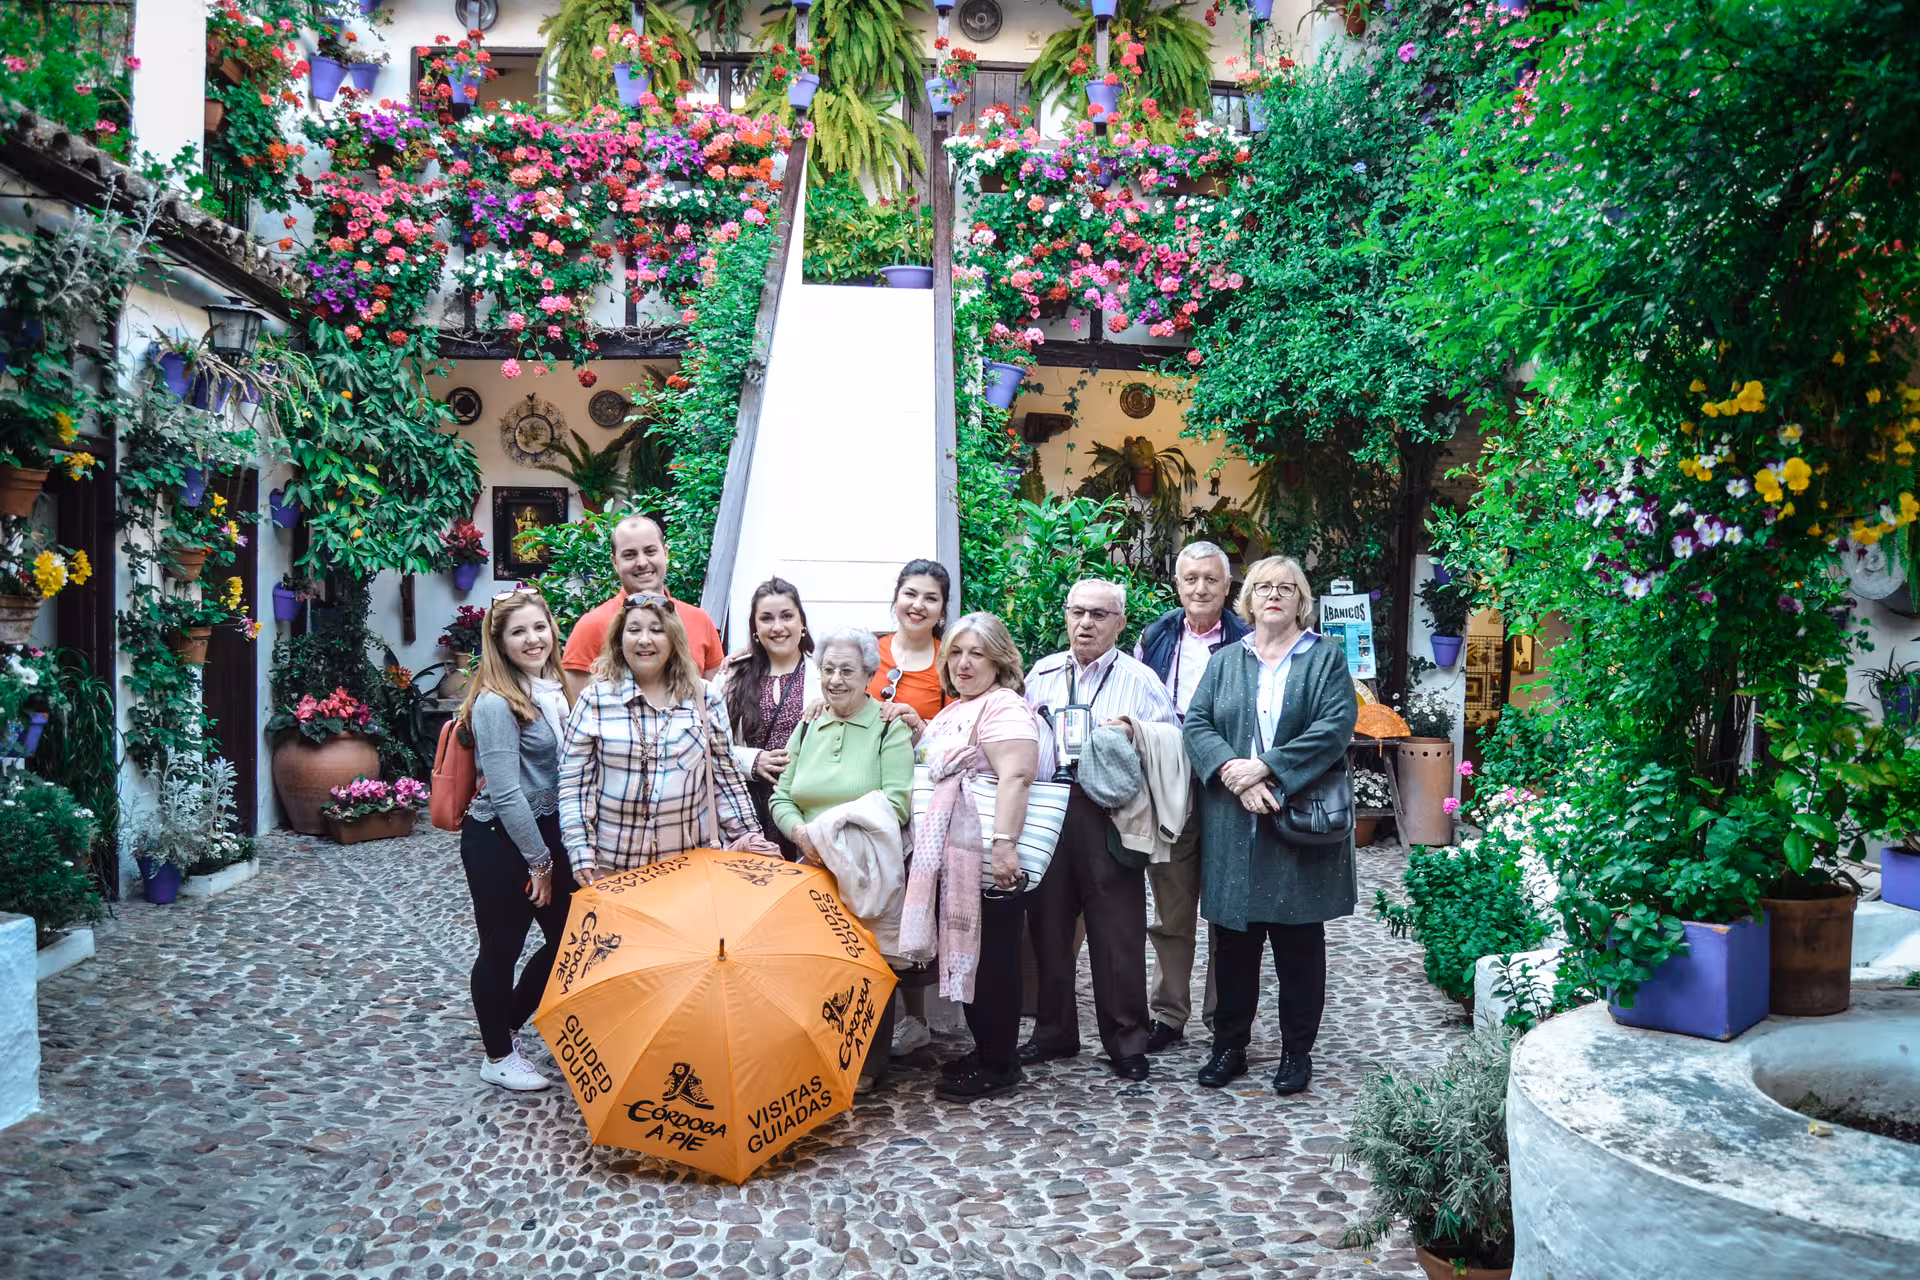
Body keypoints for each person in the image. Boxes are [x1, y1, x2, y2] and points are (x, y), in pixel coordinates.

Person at [1182, 555, 1358, 1096]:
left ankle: (1295, 1053)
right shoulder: (1226, 660)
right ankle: (1229, 1047)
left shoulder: (1324, 658)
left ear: (1301, 599)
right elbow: (1197, 722)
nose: (1274, 595)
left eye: (1286, 587)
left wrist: (1269, 768)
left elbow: (1336, 725)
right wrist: (1238, 777)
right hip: (1236, 823)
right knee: (1233, 946)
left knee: (1298, 947)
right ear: (1249, 599)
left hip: (1297, 822)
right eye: (1263, 587)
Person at [1021, 580, 1178, 1082]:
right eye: (1077, 612)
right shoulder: (1041, 674)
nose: (1085, 623)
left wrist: (1135, 730)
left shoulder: (1141, 678)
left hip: (1109, 812)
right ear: (1065, 616)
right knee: (1047, 927)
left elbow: (1173, 738)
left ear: (1120, 623)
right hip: (1047, 807)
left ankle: (1126, 1039)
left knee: (1118, 931)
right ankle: (1053, 1031)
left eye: (1099, 614)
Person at [898, 612, 1051, 1103]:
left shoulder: (1003, 705)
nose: (964, 663)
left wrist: (1005, 844)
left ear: (1000, 660)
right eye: (957, 653)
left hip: (987, 858)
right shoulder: (957, 708)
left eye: (977, 654)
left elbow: (1016, 777)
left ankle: (1000, 1064)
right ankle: (988, 1049)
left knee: (994, 962)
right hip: (959, 863)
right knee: (976, 957)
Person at [768, 626, 914, 1090]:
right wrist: (800, 833)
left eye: (847, 670)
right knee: (812, 966)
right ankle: (817, 1054)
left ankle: (867, 1062)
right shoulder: (809, 725)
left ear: (870, 673)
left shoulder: (888, 728)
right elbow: (782, 795)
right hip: (809, 865)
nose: (835, 679)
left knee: (867, 963)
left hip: (863, 867)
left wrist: (827, 835)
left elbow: (896, 805)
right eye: (828, 669)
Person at [456, 588, 579, 1091]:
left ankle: (505, 1022)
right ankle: (497, 1055)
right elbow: (506, 793)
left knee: (573, 939)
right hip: (502, 840)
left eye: (539, 627)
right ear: (499, 643)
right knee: (501, 948)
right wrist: (539, 863)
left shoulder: (554, 688)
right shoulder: (494, 702)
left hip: (547, 832)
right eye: (518, 632)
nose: (533, 639)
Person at [1133, 540, 1249, 1052]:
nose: (1200, 588)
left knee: (1226, 906)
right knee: (1171, 907)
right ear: (1177, 585)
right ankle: (1168, 1013)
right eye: (1190, 579)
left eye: (1211, 579)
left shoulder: (1248, 641)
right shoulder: (1155, 636)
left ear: (1228, 587)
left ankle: (1224, 1015)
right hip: (1171, 783)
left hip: (1227, 784)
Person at [558, 592, 763, 881]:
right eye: (634, 630)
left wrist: (752, 839)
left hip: (688, 867)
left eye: (657, 630)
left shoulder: (705, 698)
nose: (645, 640)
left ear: (674, 639)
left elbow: (725, 778)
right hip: (613, 869)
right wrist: (580, 853)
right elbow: (574, 785)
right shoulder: (595, 700)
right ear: (619, 639)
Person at [867, 559, 953, 1057]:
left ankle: (916, 1018)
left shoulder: (948, 661)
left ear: (942, 609)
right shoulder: (869, 650)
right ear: (895, 598)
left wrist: (918, 725)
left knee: (912, 904)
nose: (918, 605)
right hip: (864, 790)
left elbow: (954, 732)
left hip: (918, 799)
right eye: (910, 594)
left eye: (930, 598)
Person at [561, 514, 725, 702]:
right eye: (630, 555)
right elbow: (578, 710)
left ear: (666, 553)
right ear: (615, 562)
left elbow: (713, 703)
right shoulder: (590, 627)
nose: (642, 562)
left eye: (650, 551)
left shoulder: (699, 620)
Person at [713, 578, 821, 860]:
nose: (778, 627)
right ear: (755, 629)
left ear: (802, 623)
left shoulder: (825, 677)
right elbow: (708, 745)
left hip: (806, 807)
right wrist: (752, 761)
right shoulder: (730, 678)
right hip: (749, 807)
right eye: (766, 618)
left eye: (787, 616)